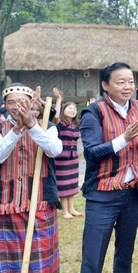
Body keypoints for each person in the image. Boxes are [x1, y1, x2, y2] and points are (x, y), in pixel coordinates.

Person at [78, 62, 138, 273]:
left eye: (131, 82)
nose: (127, 86)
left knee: (125, 253)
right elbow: (92, 153)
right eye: (120, 82)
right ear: (105, 85)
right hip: (102, 194)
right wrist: (123, 138)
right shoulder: (93, 111)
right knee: (93, 256)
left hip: (132, 194)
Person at [0, 82, 63, 273]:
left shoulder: (48, 127)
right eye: (11, 102)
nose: (16, 106)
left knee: (40, 267)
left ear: (31, 103)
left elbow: (54, 150)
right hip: (8, 204)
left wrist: (31, 126)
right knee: (10, 267)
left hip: (40, 204)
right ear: (4, 104)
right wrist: (17, 129)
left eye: (21, 101)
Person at [53, 89, 83, 219]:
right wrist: (59, 99)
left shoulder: (75, 125)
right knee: (63, 185)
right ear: (63, 110)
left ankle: (72, 208)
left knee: (72, 184)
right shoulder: (59, 123)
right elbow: (54, 116)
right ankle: (65, 211)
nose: (72, 111)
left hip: (73, 158)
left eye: (74, 109)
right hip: (61, 158)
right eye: (69, 108)